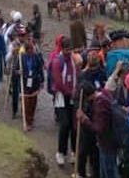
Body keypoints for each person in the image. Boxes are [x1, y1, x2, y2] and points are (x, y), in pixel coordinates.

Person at [76, 78, 119, 178]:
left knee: (108, 171)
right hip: (109, 141)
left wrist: (84, 119)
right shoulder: (104, 93)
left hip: (107, 143)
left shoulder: (100, 104)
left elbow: (98, 128)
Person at [52, 37, 78, 166]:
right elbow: (58, 82)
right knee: (65, 124)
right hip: (62, 97)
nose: (69, 52)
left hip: (72, 97)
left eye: (71, 49)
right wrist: (69, 92)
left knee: (74, 125)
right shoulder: (58, 61)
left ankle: (74, 151)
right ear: (62, 49)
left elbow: (76, 75)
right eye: (67, 49)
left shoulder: (73, 60)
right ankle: (61, 152)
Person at [18, 38, 44, 130]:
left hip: (34, 82)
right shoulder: (21, 58)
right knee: (26, 102)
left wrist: (42, 82)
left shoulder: (37, 57)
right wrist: (18, 72)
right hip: (25, 82)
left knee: (33, 102)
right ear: (26, 50)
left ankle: (31, 119)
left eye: (32, 49)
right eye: (30, 50)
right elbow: (15, 69)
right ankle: (27, 120)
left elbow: (40, 70)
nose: (32, 51)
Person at [76, 81, 100, 178]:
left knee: (94, 157)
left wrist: (85, 119)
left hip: (94, 135)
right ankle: (81, 173)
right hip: (85, 132)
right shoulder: (83, 100)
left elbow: (96, 126)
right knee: (82, 153)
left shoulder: (98, 103)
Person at [7, 25, 29, 119]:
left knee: (25, 92)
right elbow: (7, 58)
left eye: (23, 35)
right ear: (17, 36)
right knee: (15, 93)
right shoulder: (12, 44)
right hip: (15, 71)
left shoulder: (27, 45)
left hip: (25, 72)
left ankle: (25, 111)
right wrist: (12, 52)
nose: (22, 37)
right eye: (20, 35)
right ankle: (14, 111)